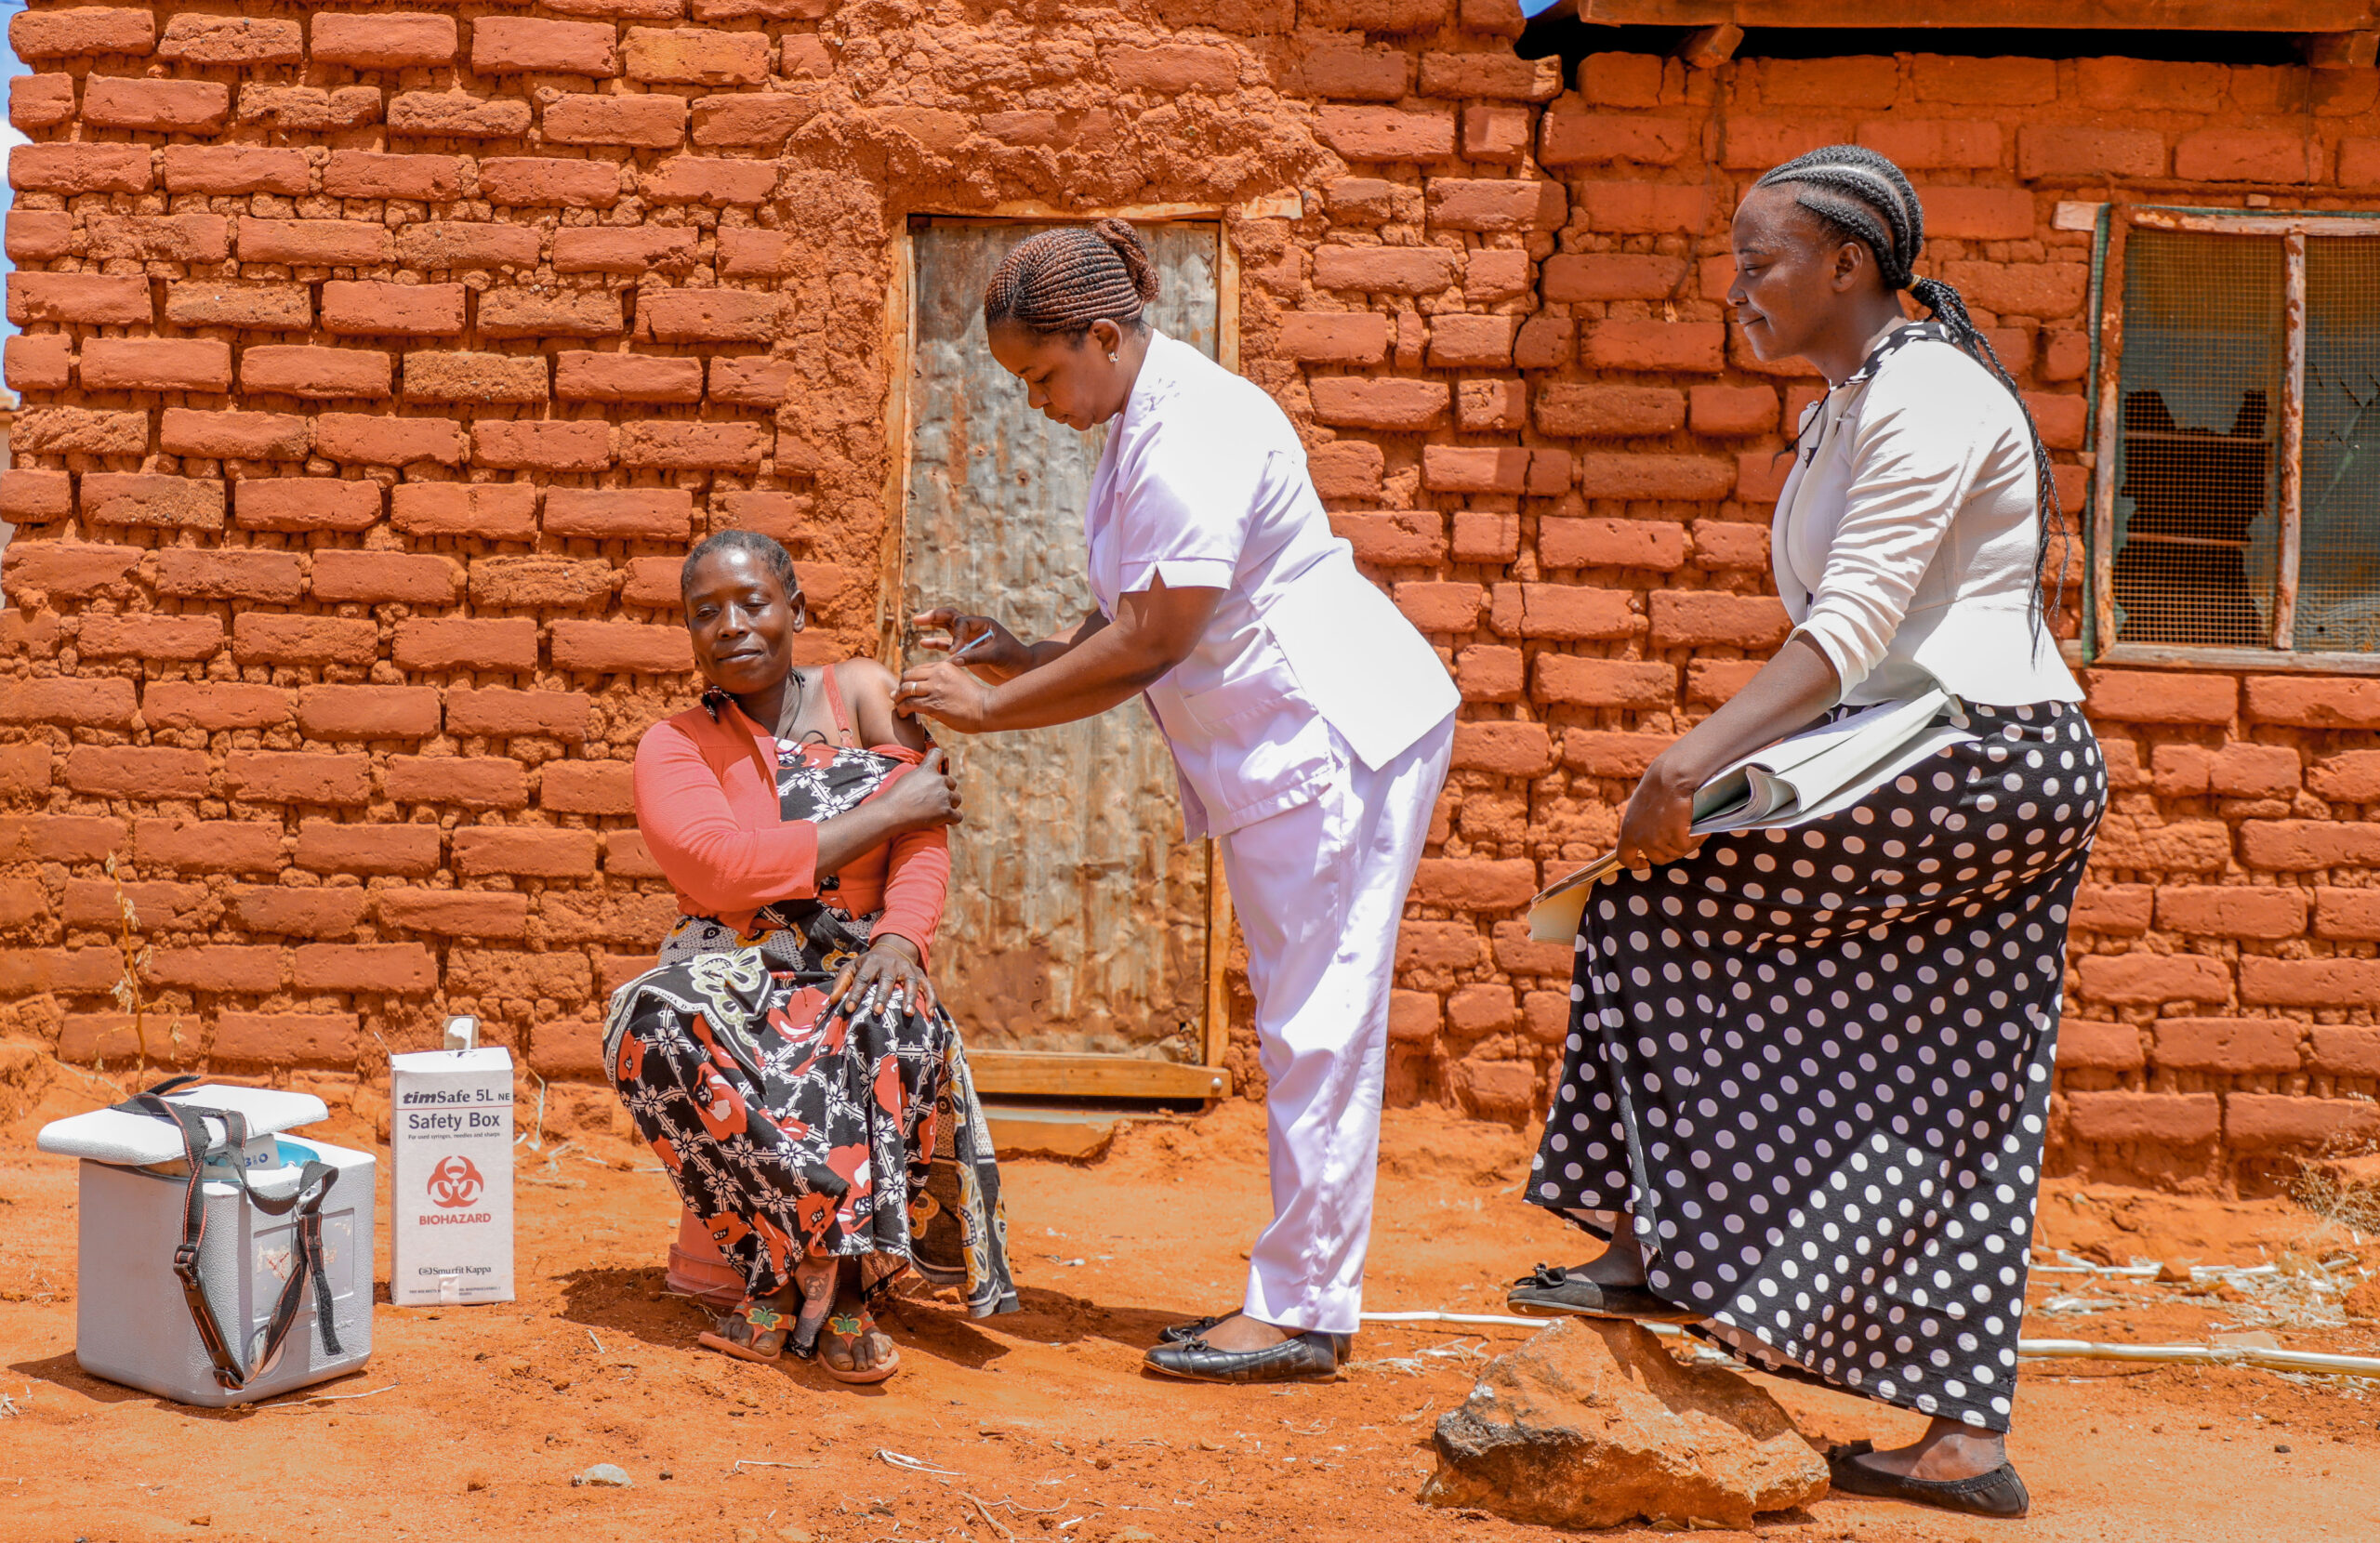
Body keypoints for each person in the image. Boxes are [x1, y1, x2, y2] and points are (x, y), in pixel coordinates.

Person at [1505, 145, 2101, 1521]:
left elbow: (1852, 630)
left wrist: (1691, 760)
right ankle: (1961, 1442)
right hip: (1952, 758)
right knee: (1960, 1087)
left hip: (1985, 762)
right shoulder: (1853, 402)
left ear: (1847, 263)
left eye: (1758, 261)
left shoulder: (1931, 397)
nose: (1738, 290)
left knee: (1655, 901)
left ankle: (1656, 1235)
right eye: (1733, 263)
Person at [893, 218, 1459, 1385]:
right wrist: (1028, 650)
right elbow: (1142, 612)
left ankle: (1301, 1309)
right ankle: (1300, 1293)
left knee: (1320, 1025)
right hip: (1287, 741)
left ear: (1105, 335)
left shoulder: (1190, 429)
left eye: (1043, 374)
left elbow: (1157, 638)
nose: (1034, 403)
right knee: (1310, 1017)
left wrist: (989, 711)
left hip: (1330, 733)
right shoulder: (1137, 420)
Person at [602, 528, 1017, 1385]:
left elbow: (926, 837)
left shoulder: (863, 692)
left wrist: (902, 935)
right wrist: (886, 809)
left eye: (753, 602)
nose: (731, 625)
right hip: (733, 966)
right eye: (704, 613)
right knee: (647, 1021)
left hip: (864, 956)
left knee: (888, 1015)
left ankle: (810, 1285)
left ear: (796, 608)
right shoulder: (673, 745)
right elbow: (717, 870)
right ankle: (827, 1267)